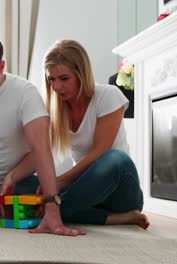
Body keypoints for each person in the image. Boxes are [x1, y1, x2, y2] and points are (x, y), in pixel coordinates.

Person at [0, 34, 85, 236]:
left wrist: (49, 205)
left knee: (60, 203)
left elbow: (41, 149)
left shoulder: (25, 93)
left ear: (1, 67)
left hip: (19, 185)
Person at [11, 40, 149, 229]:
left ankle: (62, 208)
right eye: (51, 79)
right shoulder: (53, 113)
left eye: (64, 78)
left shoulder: (108, 95)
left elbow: (100, 152)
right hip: (85, 190)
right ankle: (118, 218)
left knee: (114, 158)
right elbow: (39, 153)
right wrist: (12, 177)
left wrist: (58, 183)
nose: (57, 86)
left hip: (119, 189)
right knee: (25, 186)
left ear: (81, 74)